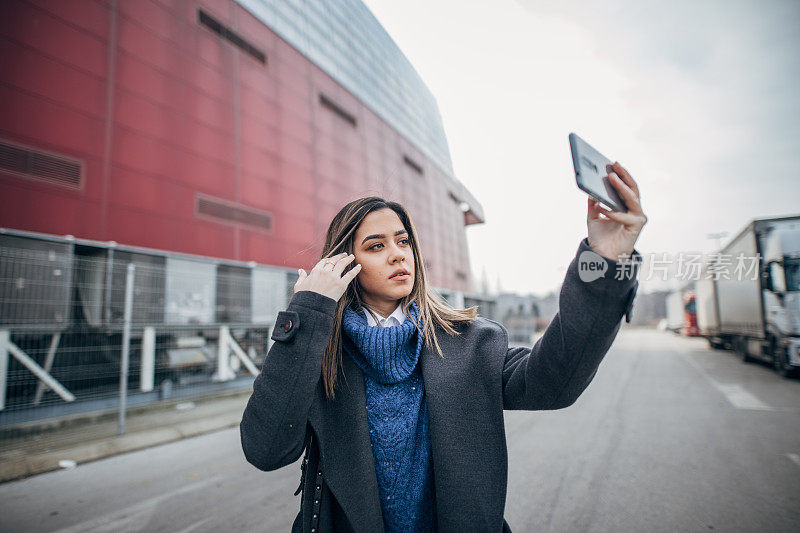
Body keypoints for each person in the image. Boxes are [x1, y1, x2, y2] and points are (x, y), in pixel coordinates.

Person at [240, 162, 647, 532]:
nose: (397, 254)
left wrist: (604, 263)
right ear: (346, 264)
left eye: (403, 241)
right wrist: (309, 314)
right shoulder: (319, 356)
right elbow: (266, 450)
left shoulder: (471, 342)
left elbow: (556, 382)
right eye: (376, 246)